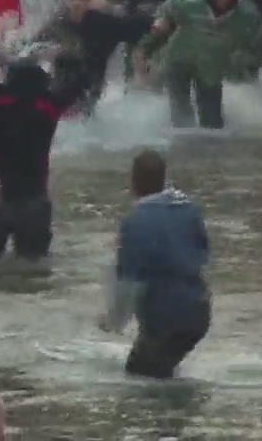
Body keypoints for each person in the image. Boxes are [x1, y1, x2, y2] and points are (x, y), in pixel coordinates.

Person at [0, 41, 86, 259]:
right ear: (43, 79)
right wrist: (61, 56)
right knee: (33, 270)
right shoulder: (48, 104)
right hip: (33, 199)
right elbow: (79, 78)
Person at [99, 150, 210, 379]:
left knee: (139, 378)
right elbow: (203, 252)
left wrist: (113, 322)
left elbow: (127, 284)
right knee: (161, 368)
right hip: (199, 311)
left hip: (166, 317)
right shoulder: (188, 210)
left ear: (134, 181)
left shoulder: (135, 222)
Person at [134, 0, 262, 129]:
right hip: (179, 58)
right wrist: (148, 44)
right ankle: (183, 145)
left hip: (212, 66)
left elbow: (252, 46)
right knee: (180, 114)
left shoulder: (246, 14)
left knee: (212, 121)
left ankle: (211, 147)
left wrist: (246, 69)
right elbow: (164, 14)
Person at [35, 0, 148, 116]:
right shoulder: (58, 22)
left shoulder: (103, 22)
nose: (77, 3)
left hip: (92, 78)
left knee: (85, 114)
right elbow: (35, 45)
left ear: (88, 2)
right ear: (66, 0)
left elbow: (134, 26)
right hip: (64, 78)